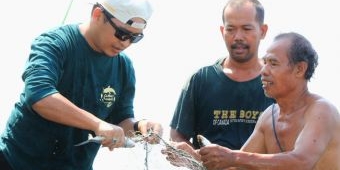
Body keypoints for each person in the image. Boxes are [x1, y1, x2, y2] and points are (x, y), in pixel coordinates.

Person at [0, 0, 163, 169]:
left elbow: (120, 121)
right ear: (97, 14)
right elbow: (39, 96)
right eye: (122, 34)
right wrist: (97, 124)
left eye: (134, 38)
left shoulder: (124, 67)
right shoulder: (55, 43)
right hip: (16, 162)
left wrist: (140, 127)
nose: (125, 43)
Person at [195, 32, 340, 170]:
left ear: (300, 69)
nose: (263, 71)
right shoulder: (268, 117)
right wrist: (194, 157)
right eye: (265, 62)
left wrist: (232, 156)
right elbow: (236, 167)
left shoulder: (322, 110)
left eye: (273, 63)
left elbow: (301, 162)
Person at [169, 0, 274, 151]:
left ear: (263, 31)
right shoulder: (201, 79)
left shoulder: (277, 80)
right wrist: (196, 159)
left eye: (246, 29)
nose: (238, 36)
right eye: (231, 29)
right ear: (222, 31)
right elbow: (177, 136)